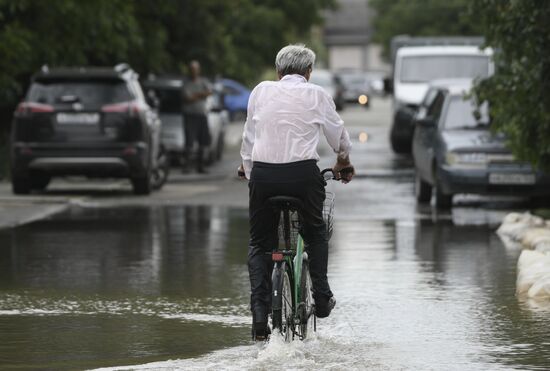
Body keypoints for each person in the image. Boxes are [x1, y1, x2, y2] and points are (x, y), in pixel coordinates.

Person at [238, 44, 355, 340]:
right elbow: (338, 136)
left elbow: (249, 138)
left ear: (278, 72)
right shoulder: (316, 94)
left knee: (259, 243)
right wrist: (343, 162)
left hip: (263, 176)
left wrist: (249, 171)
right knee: (314, 230)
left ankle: (260, 317)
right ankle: (323, 297)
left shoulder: (260, 91)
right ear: (309, 72)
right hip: (303, 176)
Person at [182, 60, 212, 173]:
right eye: (192, 69)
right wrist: (201, 95)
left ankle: (201, 166)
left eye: (196, 69)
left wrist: (196, 95)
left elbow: (209, 92)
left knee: (203, 142)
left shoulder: (203, 81)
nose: (194, 71)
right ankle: (187, 166)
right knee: (189, 142)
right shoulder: (186, 83)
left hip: (201, 115)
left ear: (198, 70)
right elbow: (187, 98)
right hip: (190, 116)